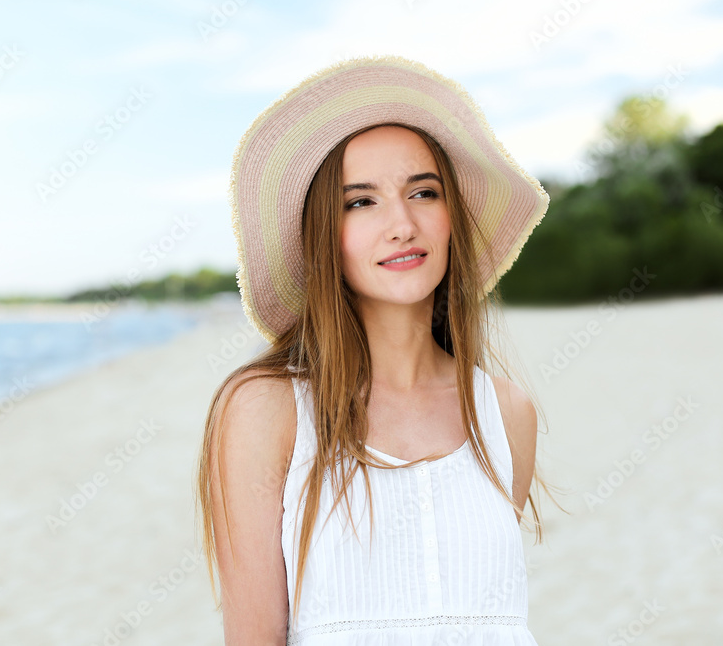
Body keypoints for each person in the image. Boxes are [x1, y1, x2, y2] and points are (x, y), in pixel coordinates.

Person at [196, 55, 557, 645]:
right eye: (360, 201)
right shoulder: (266, 409)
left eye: (423, 192)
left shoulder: (506, 412)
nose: (402, 224)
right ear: (323, 236)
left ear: (450, 218)